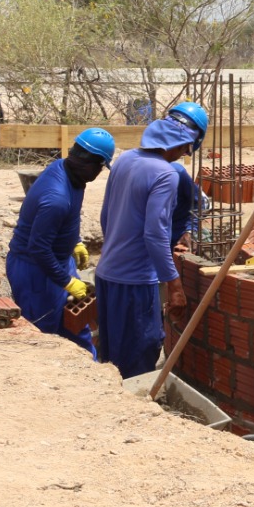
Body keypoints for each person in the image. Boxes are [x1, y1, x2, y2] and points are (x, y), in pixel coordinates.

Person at [93, 101, 207, 380]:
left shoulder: (125, 159)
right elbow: (155, 235)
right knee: (140, 356)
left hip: (106, 275)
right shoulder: (166, 174)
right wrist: (175, 285)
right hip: (135, 283)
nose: (183, 155)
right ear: (184, 143)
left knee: (112, 356)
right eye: (185, 148)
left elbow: (106, 216)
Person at [5, 128, 115, 354]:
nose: (99, 173)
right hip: (34, 271)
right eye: (101, 167)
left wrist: (75, 240)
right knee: (44, 336)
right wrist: (67, 281)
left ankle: (93, 378)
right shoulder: (56, 198)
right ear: (91, 164)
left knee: (75, 326)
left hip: (57, 261)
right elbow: (38, 249)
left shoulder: (70, 172)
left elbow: (66, 219)